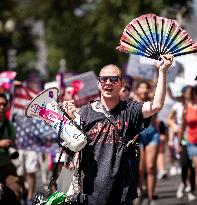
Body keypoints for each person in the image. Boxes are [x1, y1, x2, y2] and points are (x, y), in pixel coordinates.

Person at [63, 54, 173, 205]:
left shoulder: (130, 110)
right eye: (104, 79)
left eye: (114, 79)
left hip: (122, 190)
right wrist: (69, 120)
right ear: (98, 84)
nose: (108, 82)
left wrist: (162, 72)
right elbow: (69, 144)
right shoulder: (84, 112)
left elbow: (156, 106)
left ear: (121, 85)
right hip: (91, 191)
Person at [131, 80, 160, 204]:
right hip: (139, 137)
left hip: (152, 135)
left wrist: (157, 71)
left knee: (151, 167)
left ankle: (151, 195)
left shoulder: (153, 100)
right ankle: (140, 191)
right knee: (141, 168)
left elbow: (157, 87)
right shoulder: (132, 101)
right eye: (141, 87)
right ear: (137, 90)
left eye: (145, 87)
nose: (143, 90)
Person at [167, 86, 195, 201]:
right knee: (184, 165)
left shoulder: (195, 105)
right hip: (181, 138)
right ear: (183, 94)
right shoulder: (177, 106)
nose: (190, 93)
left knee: (193, 166)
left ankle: (191, 189)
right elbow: (169, 119)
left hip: (194, 137)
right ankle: (183, 183)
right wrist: (175, 127)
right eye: (188, 92)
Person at [0, 93, 21, 205]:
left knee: (15, 192)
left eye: (4, 104)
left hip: (7, 168)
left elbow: (13, 145)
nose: (2, 107)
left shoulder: (9, 126)